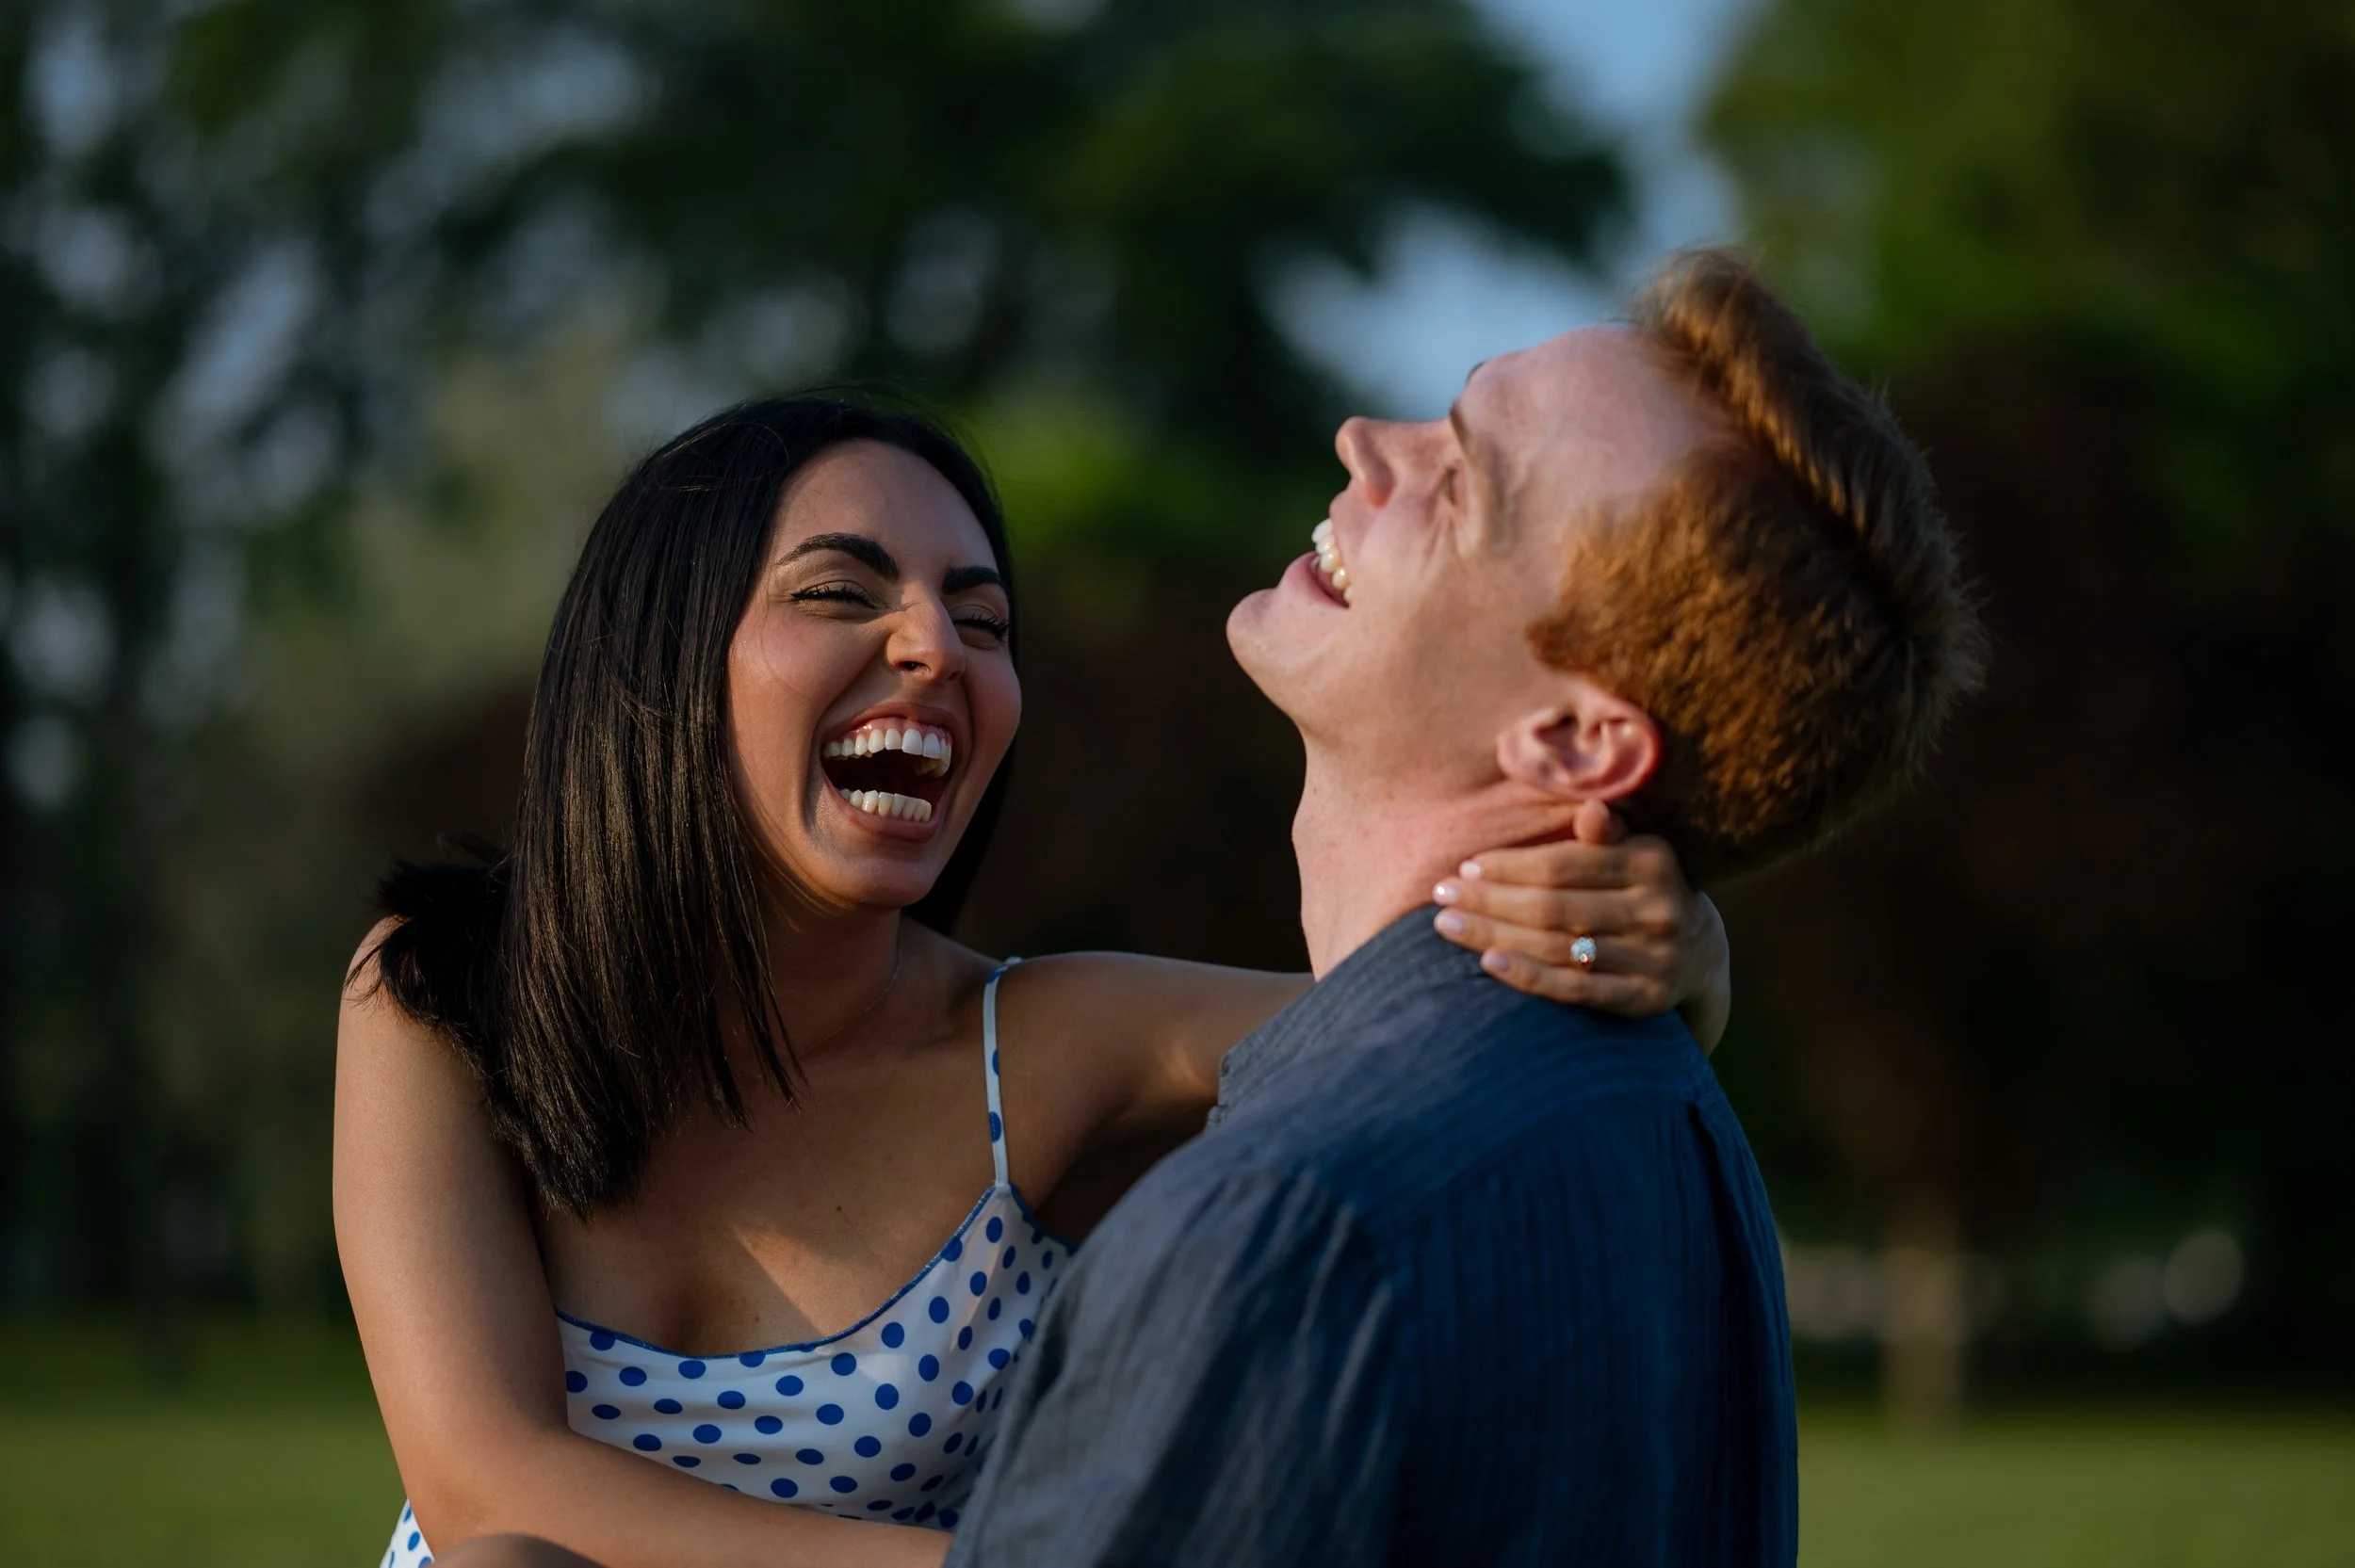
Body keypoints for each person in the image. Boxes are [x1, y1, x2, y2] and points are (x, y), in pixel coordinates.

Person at [339, 398, 1733, 1568]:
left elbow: (1454, 1035)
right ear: (660, 658)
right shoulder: (441, 996)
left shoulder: (1043, 1049)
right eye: (841, 591)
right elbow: (487, 1491)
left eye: (983, 619)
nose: (935, 648)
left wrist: (1690, 954)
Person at [936, 248, 1986, 1565]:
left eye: (1461, 481)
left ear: (1574, 742)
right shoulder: (1689, 1134)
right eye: (1441, 412)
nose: (1365, 440)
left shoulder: (1283, 1222)